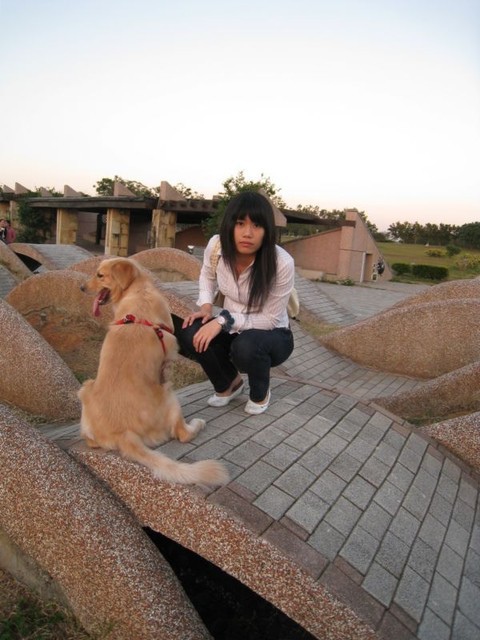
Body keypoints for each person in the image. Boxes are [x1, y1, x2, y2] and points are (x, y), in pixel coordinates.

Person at [177, 191, 295, 415]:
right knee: (191, 331)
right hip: (233, 327)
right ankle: (229, 384)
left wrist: (222, 321)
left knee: (246, 346)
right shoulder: (217, 247)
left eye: (256, 225)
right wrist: (206, 307)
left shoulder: (282, 263)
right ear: (230, 225)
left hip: (272, 334)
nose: (247, 233)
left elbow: (270, 319)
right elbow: (207, 275)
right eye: (240, 223)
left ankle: (260, 393)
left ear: (267, 231)